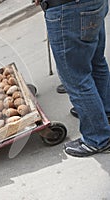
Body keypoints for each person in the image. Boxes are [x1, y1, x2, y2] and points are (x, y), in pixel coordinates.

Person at [35, 0, 110, 157]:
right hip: (93, 4)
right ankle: (102, 114)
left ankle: (98, 138)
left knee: (75, 78)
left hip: (68, 9)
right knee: (96, 61)